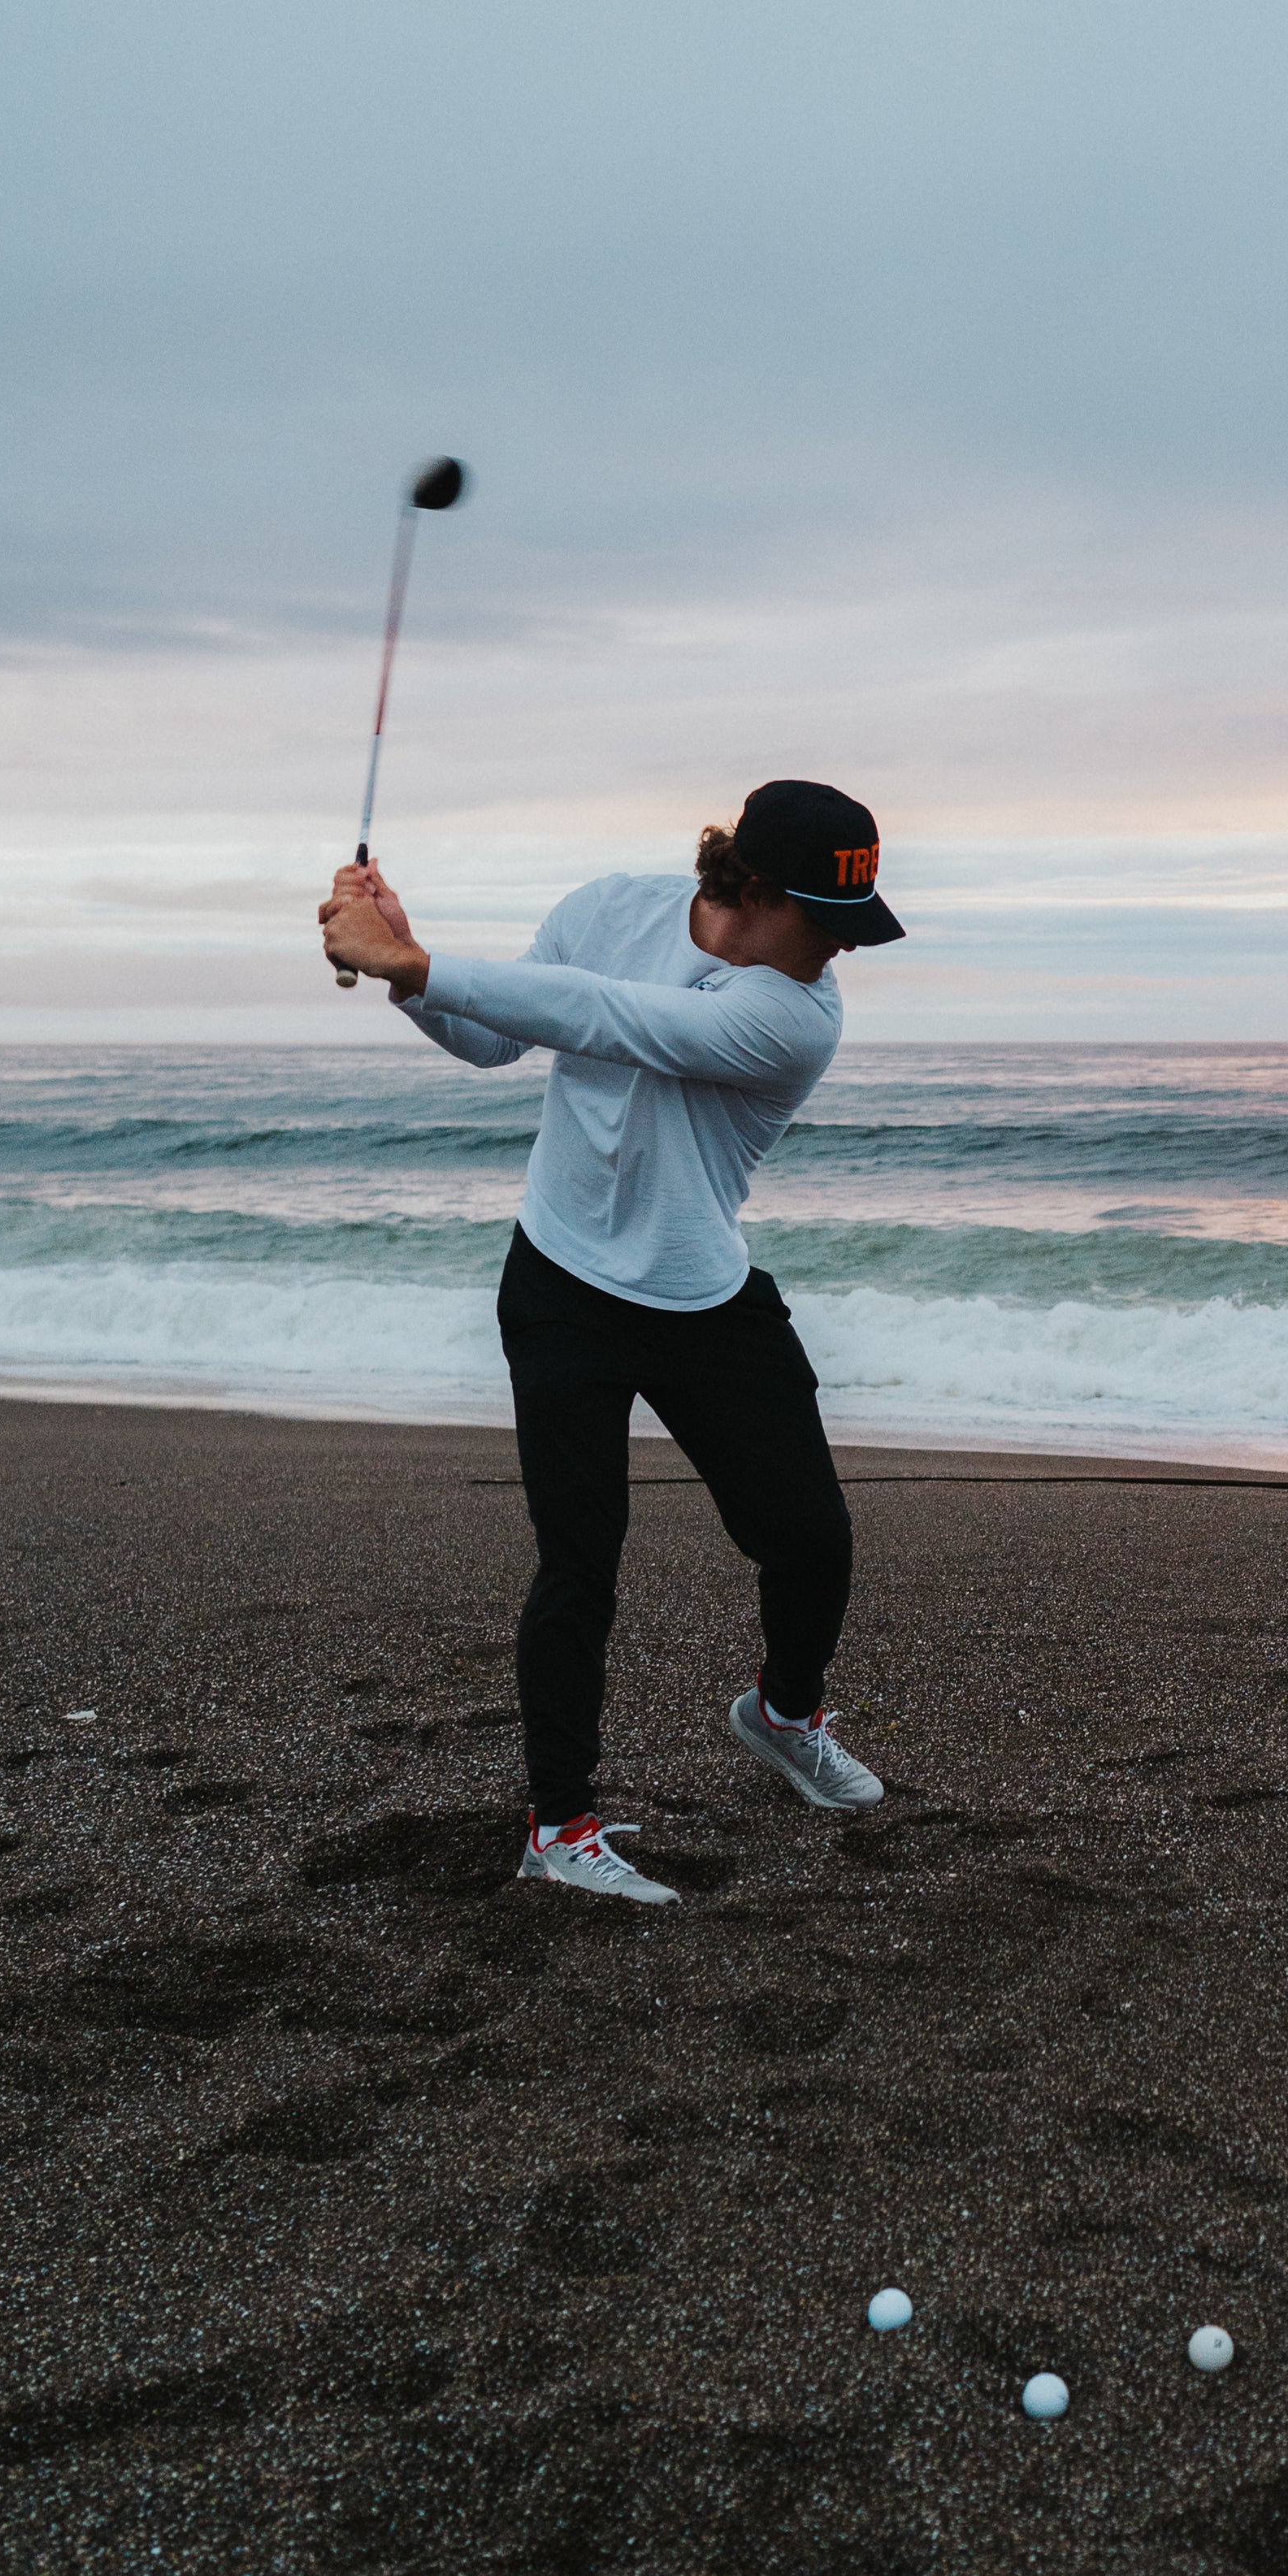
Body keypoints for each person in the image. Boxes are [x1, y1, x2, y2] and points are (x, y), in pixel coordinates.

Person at [315, 778, 904, 1906]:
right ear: (748, 885)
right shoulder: (610, 909)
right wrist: (403, 968)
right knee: (579, 1565)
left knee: (812, 1539)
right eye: (825, 922)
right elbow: (496, 1035)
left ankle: (785, 1716)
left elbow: (603, 1016)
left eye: (853, 928)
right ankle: (561, 1825)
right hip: (563, 1286)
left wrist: (413, 961)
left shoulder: (796, 1015)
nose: (839, 950)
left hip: (702, 1299)